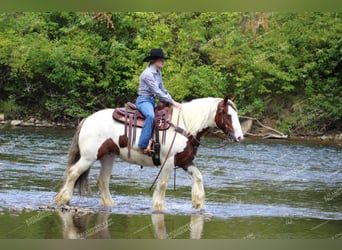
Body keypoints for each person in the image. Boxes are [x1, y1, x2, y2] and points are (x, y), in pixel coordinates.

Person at [137, 48, 182, 154]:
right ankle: (143, 144)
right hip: (144, 101)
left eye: (163, 59)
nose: (163, 61)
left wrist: (172, 100)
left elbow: (163, 89)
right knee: (150, 116)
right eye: (161, 59)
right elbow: (157, 91)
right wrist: (173, 102)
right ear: (154, 61)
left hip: (152, 101)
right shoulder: (147, 74)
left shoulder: (158, 73)